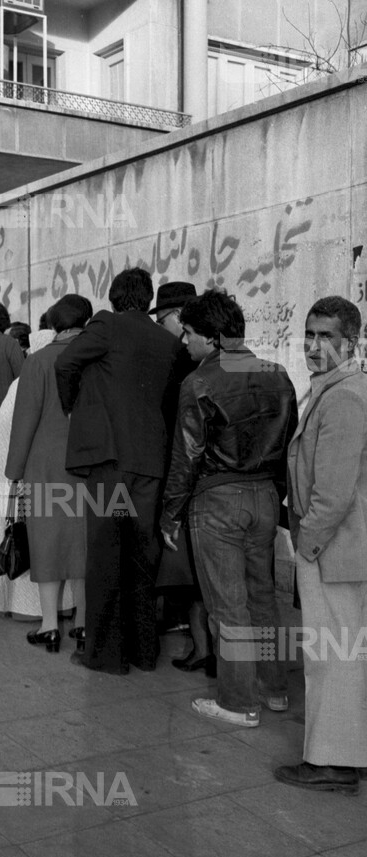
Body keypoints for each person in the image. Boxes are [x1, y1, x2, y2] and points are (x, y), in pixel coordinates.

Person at [160, 290, 298, 727]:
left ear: (214, 338)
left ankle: (239, 704)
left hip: (218, 501)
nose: (185, 342)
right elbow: (287, 443)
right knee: (263, 599)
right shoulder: (277, 373)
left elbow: (187, 454)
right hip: (265, 498)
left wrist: (171, 513)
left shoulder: (199, 381)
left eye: (190, 334)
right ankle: (275, 690)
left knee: (228, 606)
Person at [55, 267, 184, 674]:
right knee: (142, 558)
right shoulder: (168, 342)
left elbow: (65, 363)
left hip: (110, 463)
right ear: (147, 300)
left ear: (113, 296)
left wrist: (75, 405)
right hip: (150, 463)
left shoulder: (107, 325)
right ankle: (144, 652)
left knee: (106, 555)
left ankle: (106, 655)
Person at [275, 296, 367, 794]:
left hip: (332, 551)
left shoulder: (346, 396)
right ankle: (346, 753)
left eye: (325, 337)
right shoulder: (335, 389)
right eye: (308, 335)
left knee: (331, 658)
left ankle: (332, 763)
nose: (313, 346)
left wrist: (305, 546)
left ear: (349, 342)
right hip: (339, 549)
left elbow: (331, 495)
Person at [5, 296, 92, 651]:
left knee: (47, 542)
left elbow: (24, 421)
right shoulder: (96, 360)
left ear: (53, 325)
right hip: (88, 466)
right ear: (85, 321)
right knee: (84, 542)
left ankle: (51, 626)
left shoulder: (38, 362)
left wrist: (15, 471)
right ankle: (85, 624)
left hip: (45, 467)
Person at [149, 282, 212, 672]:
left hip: (191, 481)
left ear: (177, 317)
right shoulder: (238, 363)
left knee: (190, 570)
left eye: (164, 320)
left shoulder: (179, 364)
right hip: (232, 485)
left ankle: (202, 646)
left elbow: (180, 442)